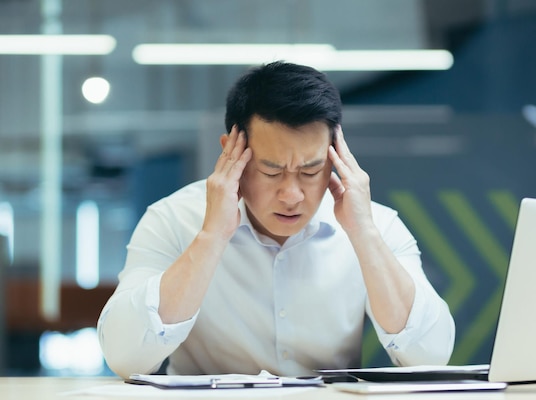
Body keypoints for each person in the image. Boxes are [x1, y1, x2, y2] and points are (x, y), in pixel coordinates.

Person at [97, 61, 455, 378]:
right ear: (231, 153)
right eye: (271, 171)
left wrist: (364, 234)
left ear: (335, 157)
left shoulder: (377, 225)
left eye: (311, 170)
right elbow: (125, 356)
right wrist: (212, 236)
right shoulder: (172, 220)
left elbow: (429, 355)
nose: (292, 195)